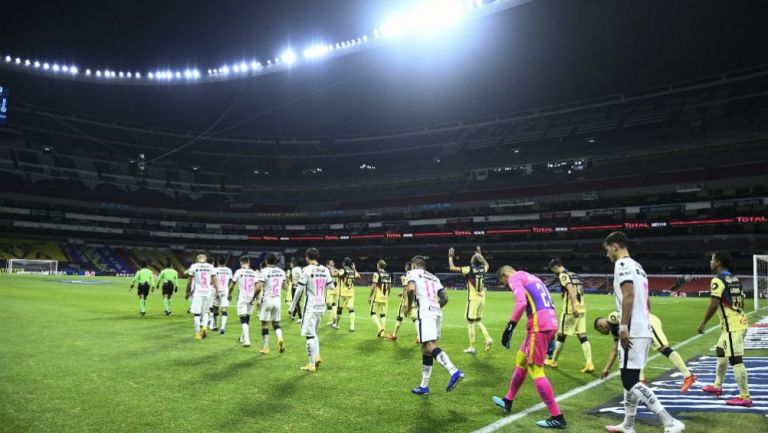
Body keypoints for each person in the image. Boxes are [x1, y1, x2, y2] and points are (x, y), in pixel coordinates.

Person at [602, 232, 683, 433]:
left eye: (607, 250)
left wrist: (623, 328)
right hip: (643, 327)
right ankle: (628, 424)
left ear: (614, 246)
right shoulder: (639, 267)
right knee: (630, 377)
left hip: (632, 330)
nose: (607, 255)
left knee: (630, 381)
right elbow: (646, 301)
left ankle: (669, 421)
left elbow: (628, 295)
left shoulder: (622, 265)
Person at [492, 265, 565, 429]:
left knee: (535, 370)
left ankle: (557, 416)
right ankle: (508, 400)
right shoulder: (532, 276)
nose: (507, 286)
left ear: (504, 276)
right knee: (521, 358)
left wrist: (510, 327)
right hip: (548, 321)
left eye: (504, 283)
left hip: (539, 325)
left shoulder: (514, 277)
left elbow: (521, 303)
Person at [697, 251, 752, 407]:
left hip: (733, 326)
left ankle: (745, 397)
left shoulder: (717, 280)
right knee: (720, 350)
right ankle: (717, 386)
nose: (711, 262)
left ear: (719, 262)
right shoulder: (733, 278)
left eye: (713, 259)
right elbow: (742, 303)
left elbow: (714, 304)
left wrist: (703, 323)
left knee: (736, 360)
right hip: (736, 321)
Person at [595, 312, 697, 393]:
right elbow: (614, 351)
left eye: (600, 331)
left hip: (648, 322)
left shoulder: (612, 317)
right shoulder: (614, 330)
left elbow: (628, 316)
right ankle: (642, 381)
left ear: (601, 325)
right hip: (641, 329)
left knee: (663, 348)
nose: (601, 333)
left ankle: (688, 376)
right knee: (634, 352)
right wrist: (606, 368)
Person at [406, 255, 464, 396]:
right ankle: (424, 386)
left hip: (425, 312)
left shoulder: (412, 273)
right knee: (425, 349)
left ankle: (454, 371)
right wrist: (436, 308)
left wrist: (409, 306)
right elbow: (445, 298)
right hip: (437, 312)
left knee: (430, 345)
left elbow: (411, 289)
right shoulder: (434, 277)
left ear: (414, 265)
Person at [290, 248, 334, 373]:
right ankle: (317, 356)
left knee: (309, 335)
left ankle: (311, 364)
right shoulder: (325, 270)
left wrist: (292, 306)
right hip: (321, 306)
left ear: (307, 257)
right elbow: (331, 286)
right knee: (314, 332)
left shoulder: (306, 270)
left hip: (310, 307)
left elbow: (299, 290)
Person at [546, 259, 593, 373]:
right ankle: (589, 363)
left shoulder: (563, 275)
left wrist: (574, 305)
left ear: (556, 267)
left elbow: (571, 290)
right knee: (582, 336)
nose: (554, 273)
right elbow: (581, 291)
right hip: (582, 308)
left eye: (553, 270)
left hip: (571, 310)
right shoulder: (574, 274)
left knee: (561, 335)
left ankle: (553, 361)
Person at [448, 247, 493, 354]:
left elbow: (452, 268)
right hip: (482, 299)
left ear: (473, 260)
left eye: (474, 256)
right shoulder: (483, 268)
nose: (472, 256)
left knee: (470, 323)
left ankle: (472, 347)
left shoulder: (469, 269)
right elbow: (487, 265)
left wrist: (450, 257)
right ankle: (488, 338)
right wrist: (480, 256)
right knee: (478, 321)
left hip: (473, 300)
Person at [254, 253, 287, 354]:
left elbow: (259, 287)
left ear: (266, 261)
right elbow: (285, 286)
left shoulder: (263, 271)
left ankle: (266, 347)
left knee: (265, 324)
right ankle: (280, 338)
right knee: (276, 323)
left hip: (267, 300)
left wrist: (253, 298)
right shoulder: (281, 271)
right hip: (277, 300)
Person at [384, 261, 418, 341]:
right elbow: (412, 289)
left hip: (405, 303)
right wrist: (402, 293)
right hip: (413, 300)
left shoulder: (406, 276)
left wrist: (406, 303)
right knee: (415, 318)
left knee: (399, 317)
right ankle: (419, 337)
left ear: (407, 267)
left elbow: (406, 290)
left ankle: (394, 335)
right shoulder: (416, 276)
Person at [185, 253, 216, 341]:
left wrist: (187, 292)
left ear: (197, 259)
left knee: (196, 314)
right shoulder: (210, 267)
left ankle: (198, 334)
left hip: (198, 293)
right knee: (206, 312)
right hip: (208, 292)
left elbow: (189, 281)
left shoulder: (194, 266)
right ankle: (205, 326)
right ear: (205, 259)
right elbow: (214, 280)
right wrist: (217, 290)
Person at [232, 256, 260, 348]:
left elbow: (232, 285)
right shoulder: (254, 273)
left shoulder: (238, 272)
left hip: (242, 298)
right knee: (247, 318)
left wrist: (228, 294)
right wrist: (258, 300)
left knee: (243, 319)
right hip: (251, 298)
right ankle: (242, 337)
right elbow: (258, 288)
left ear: (241, 263)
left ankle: (247, 340)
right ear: (249, 263)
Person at [333, 257, 359, 331]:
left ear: (344, 263)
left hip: (342, 293)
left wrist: (333, 271)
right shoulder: (352, 271)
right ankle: (352, 326)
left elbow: (335, 275)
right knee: (351, 309)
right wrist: (354, 268)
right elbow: (358, 276)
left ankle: (337, 325)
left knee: (339, 309)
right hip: (350, 293)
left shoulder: (343, 270)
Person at [369, 260, 392, 337]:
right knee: (383, 315)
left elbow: (373, 285)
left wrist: (370, 296)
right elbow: (389, 287)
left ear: (378, 265)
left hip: (377, 297)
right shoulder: (388, 275)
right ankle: (382, 333)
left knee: (373, 313)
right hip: (385, 297)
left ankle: (379, 328)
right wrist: (387, 296)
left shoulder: (376, 274)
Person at [211, 258, 233, 334]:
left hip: (216, 291)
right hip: (225, 291)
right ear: (225, 261)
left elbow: (212, 281)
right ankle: (223, 327)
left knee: (215, 309)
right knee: (224, 309)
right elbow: (230, 281)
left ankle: (215, 326)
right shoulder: (229, 270)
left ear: (218, 261)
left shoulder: (215, 269)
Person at [289, 258, 305, 322]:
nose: (290, 264)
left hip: (296, 287)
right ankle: (293, 315)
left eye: (291, 263)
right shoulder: (299, 269)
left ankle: (300, 317)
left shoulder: (295, 269)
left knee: (296, 301)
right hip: (299, 286)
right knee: (296, 301)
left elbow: (301, 277)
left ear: (293, 264)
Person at [325, 259, 339, 325]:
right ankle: (335, 318)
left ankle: (331, 320)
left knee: (329, 305)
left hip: (330, 289)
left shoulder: (328, 270)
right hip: (336, 289)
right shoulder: (337, 270)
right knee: (334, 304)